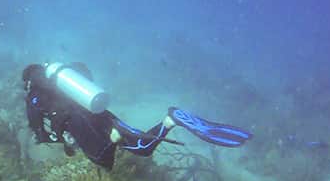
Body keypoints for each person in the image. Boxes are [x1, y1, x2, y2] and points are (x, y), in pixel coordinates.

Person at [23, 62, 251, 170]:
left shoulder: (33, 94)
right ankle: (172, 120)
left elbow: (39, 131)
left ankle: (114, 139)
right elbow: (86, 74)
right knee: (141, 148)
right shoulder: (63, 79)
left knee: (101, 159)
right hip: (97, 109)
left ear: (29, 81)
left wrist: (53, 138)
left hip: (79, 122)